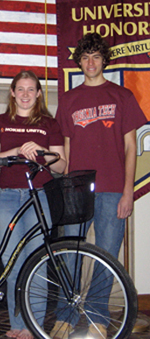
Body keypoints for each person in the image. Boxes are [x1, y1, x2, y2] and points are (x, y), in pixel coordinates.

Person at [51, 33, 148, 339]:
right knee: (71, 255)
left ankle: (97, 317)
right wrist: (65, 187)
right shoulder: (68, 99)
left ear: (104, 60)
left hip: (112, 189)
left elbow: (132, 147)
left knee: (106, 255)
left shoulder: (122, 96)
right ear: (78, 61)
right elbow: (64, 149)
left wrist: (128, 192)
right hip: (76, 190)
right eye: (85, 57)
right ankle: (65, 316)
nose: (90, 62)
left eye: (95, 56)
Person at [0, 70, 67, 339]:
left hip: (40, 196)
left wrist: (42, 153)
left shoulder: (49, 123)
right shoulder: (0, 121)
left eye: (31, 89)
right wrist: (17, 149)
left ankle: (33, 327)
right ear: (12, 92)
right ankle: (17, 324)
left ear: (39, 93)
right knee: (12, 262)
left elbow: (64, 165)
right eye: (20, 89)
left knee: (37, 262)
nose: (25, 94)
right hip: (7, 197)